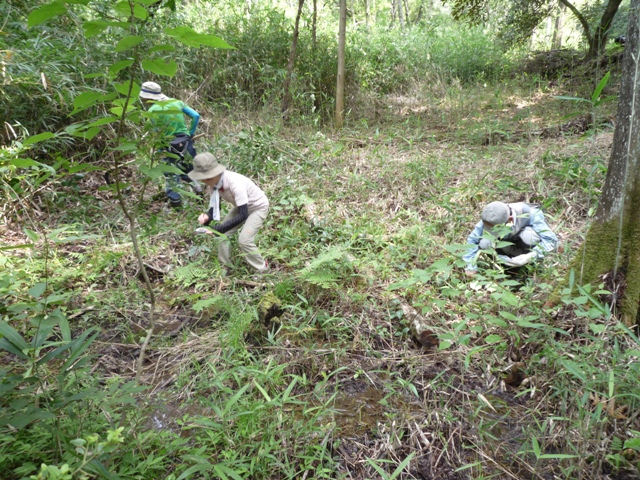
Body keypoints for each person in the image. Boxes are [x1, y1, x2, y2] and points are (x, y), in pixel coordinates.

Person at [189, 152, 270, 273]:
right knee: (223, 236)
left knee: (244, 240)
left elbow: (243, 214)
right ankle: (225, 267)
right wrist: (207, 217)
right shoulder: (214, 184)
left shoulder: (234, 182)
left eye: (207, 178)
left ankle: (262, 269)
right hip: (241, 207)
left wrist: (217, 229)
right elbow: (214, 207)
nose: (205, 182)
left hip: (258, 207)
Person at [139, 81, 201, 208]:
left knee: (171, 175)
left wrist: (156, 149)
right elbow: (196, 116)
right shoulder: (177, 102)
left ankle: (176, 206)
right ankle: (198, 189)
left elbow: (155, 133)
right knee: (187, 168)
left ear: (147, 97)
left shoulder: (152, 111)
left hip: (169, 145)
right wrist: (191, 133)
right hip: (186, 142)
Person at [463, 201, 558, 276]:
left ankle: (531, 268)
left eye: (496, 229)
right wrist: (471, 266)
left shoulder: (530, 213)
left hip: (527, 250)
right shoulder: (489, 218)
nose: (492, 231)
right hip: (504, 250)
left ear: (510, 219)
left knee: (529, 236)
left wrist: (530, 256)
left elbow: (551, 240)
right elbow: (472, 240)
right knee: (484, 242)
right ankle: (506, 267)